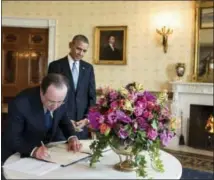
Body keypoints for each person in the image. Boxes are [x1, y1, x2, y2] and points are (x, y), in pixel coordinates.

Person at [1, 73, 82, 164]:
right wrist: (34, 151)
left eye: (59, 102)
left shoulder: (60, 97)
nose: (55, 106)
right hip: (16, 155)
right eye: (51, 101)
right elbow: (11, 138)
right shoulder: (21, 103)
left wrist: (72, 137)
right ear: (41, 91)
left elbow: (64, 119)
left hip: (44, 155)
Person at [48, 34, 96, 139]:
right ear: (71, 45)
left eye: (84, 51)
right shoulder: (55, 66)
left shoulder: (88, 68)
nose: (81, 53)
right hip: (60, 126)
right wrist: (66, 120)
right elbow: (51, 97)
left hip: (81, 127)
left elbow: (92, 97)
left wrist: (87, 119)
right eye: (78, 49)